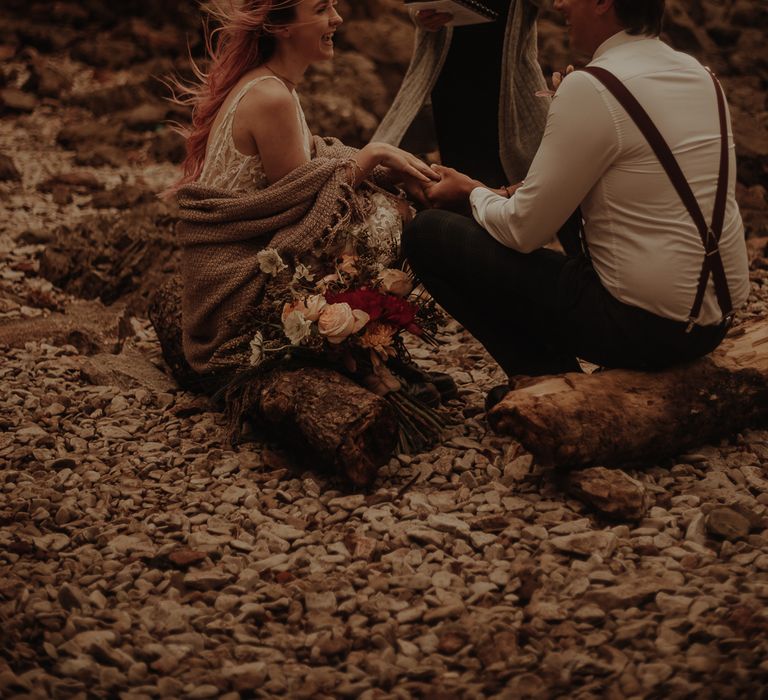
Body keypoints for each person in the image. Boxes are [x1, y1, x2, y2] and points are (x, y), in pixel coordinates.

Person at [403, 0, 750, 394]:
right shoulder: (701, 75)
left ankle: (546, 377)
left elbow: (522, 230)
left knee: (427, 234)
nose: (559, 4)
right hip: (714, 321)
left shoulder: (594, 86)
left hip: (644, 331)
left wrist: (471, 193)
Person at [167, 0, 437, 375]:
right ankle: (357, 348)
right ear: (283, 28)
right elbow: (305, 205)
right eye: (321, 9)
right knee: (392, 219)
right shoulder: (271, 96)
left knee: (384, 201)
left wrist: (384, 165)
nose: (337, 19)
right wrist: (373, 154)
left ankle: (370, 346)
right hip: (238, 273)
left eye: (335, 6)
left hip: (255, 245)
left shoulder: (276, 86)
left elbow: (309, 176)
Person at [373, 0, 550, 187]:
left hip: (506, 84)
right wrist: (423, 17)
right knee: (463, 177)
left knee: (523, 176)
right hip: (449, 78)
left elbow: (559, 5)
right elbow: (418, 9)